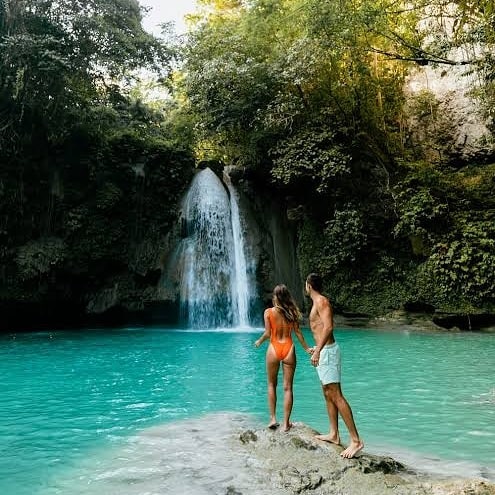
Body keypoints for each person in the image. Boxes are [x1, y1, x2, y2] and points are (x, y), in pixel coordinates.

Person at [305, 273, 364, 458]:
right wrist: (317, 348)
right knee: (327, 392)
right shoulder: (317, 303)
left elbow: (329, 327)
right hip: (324, 351)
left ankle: (356, 441)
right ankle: (334, 434)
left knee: (336, 395)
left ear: (308, 286)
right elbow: (321, 329)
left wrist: (318, 351)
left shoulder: (321, 301)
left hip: (328, 352)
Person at [254, 284, 312, 432]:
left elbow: (268, 334)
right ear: (287, 297)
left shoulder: (268, 312)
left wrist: (259, 341)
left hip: (273, 348)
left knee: (271, 385)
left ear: (275, 297)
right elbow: (298, 333)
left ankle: (273, 418)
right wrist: (306, 348)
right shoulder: (292, 312)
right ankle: (286, 423)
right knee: (288, 388)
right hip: (289, 348)